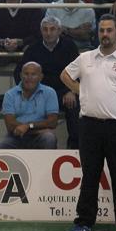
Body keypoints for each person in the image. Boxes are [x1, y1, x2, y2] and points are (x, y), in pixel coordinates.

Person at [61, 14, 116, 231]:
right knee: (89, 177)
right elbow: (65, 75)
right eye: (102, 30)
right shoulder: (86, 58)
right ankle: (83, 226)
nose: (105, 34)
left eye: (109, 30)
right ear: (97, 33)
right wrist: (83, 91)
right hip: (89, 126)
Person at [14, 16, 80, 149]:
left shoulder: (69, 46)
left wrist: (72, 91)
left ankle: (75, 146)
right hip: (40, 92)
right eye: (45, 29)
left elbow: (80, 72)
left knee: (74, 105)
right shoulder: (33, 48)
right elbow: (18, 72)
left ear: (59, 30)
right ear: (41, 31)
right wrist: (27, 91)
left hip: (63, 92)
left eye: (52, 29)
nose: (48, 33)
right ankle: (28, 145)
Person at [0, 62, 58, 149]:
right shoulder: (10, 94)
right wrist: (38, 128)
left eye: (33, 74)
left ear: (41, 77)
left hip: (40, 136)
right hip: (16, 137)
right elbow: (10, 125)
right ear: (21, 75)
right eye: (26, 74)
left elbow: (52, 122)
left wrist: (28, 126)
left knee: (49, 138)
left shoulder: (50, 92)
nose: (29, 78)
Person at [0, 0, 43, 96]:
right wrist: (1, 42)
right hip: (2, 49)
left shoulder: (33, 5)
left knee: (31, 49)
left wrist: (21, 42)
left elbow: (37, 35)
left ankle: (29, 92)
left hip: (24, 49)